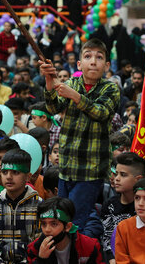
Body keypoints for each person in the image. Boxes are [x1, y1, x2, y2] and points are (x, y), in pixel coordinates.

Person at [39, 38, 120, 229]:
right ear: (79, 64)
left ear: (107, 65)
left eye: (99, 57)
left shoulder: (111, 88)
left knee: (75, 220)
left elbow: (100, 112)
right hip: (66, 167)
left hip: (91, 170)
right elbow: (52, 108)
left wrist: (74, 96)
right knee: (61, 217)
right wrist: (49, 80)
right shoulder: (72, 83)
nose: (93, 61)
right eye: (88, 56)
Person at [0, 149, 42, 264]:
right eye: (4, 172)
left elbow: (40, 243)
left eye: (15, 172)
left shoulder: (39, 205)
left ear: (28, 176)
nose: (8, 177)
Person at [26, 197, 103, 264]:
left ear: (67, 226)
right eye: (43, 224)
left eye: (54, 224)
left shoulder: (90, 246)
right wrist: (41, 260)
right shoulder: (34, 248)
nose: (47, 230)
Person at [100, 152, 145, 264]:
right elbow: (106, 237)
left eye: (123, 175)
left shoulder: (143, 207)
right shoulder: (109, 205)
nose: (117, 179)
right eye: (116, 174)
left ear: (138, 179)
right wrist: (112, 258)